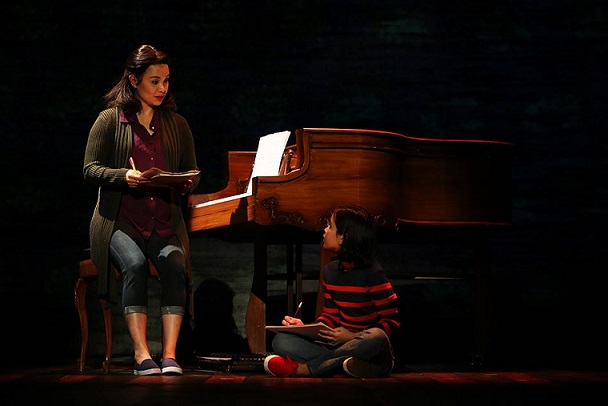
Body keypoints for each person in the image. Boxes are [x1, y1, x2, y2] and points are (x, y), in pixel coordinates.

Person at [83, 44, 200, 376]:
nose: (162, 88)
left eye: (166, 81)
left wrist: (185, 182)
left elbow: (191, 169)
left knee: (175, 264)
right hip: (119, 219)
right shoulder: (111, 120)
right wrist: (125, 176)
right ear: (134, 80)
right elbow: (90, 169)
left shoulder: (176, 124)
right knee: (134, 263)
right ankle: (140, 354)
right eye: (154, 81)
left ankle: (170, 355)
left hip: (162, 219)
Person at [263, 205, 401, 378]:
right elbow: (330, 316)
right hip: (337, 345)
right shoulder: (330, 271)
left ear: (343, 237)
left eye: (330, 226)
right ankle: (346, 366)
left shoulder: (373, 273)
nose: (325, 229)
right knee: (281, 341)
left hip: (367, 346)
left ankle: (306, 369)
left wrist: (352, 337)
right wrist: (305, 328)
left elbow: (392, 321)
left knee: (377, 337)